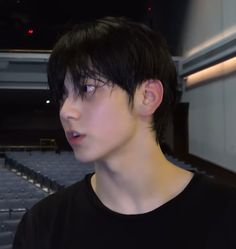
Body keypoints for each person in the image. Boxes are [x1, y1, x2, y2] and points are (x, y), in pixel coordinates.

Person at [13, 16, 236, 249]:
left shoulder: (227, 214)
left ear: (147, 97)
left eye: (87, 88)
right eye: (63, 95)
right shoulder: (43, 224)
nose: (66, 111)